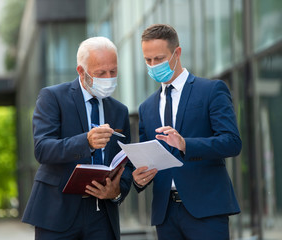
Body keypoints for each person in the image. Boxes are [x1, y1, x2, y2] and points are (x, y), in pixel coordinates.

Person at [133, 24, 242, 240]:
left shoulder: (211, 90)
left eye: (159, 58)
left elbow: (232, 142)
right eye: (148, 60)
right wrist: (138, 179)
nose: (153, 65)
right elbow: (147, 155)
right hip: (165, 214)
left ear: (177, 53)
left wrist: (185, 144)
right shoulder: (146, 107)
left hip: (207, 211)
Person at [22, 36, 133, 240]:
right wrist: (86, 142)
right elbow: (42, 149)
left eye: (113, 71)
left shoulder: (119, 111)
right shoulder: (52, 97)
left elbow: (127, 163)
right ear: (81, 72)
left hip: (102, 215)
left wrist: (117, 191)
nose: (108, 78)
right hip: (57, 212)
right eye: (100, 73)